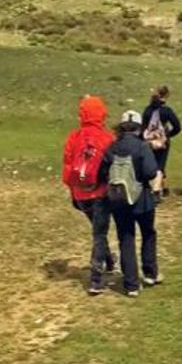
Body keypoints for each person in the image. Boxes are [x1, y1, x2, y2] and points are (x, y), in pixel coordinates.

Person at [60, 95, 116, 296]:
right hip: (100, 194)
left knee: (97, 229)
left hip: (80, 194)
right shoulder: (108, 138)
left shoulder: (73, 137)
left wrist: (73, 193)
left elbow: (68, 168)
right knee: (99, 234)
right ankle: (96, 279)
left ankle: (109, 260)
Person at [102, 110, 163, 295]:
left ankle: (131, 285)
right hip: (141, 199)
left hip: (119, 200)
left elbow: (102, 172)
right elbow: (150, 172)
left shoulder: (112, 147)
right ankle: (150, 273)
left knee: (126, 238)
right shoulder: (142, 147)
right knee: (148, 233)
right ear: (139, 128)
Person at [140, 86, 182, 196]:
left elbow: (143, 127)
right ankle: (156, 190)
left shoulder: (147, 111)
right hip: (162, 141)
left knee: (153, 163)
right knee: (160, 164)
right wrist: (168, 135)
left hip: (149, 140)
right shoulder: (167, 111)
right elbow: (177, 127)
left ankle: (163, 186)